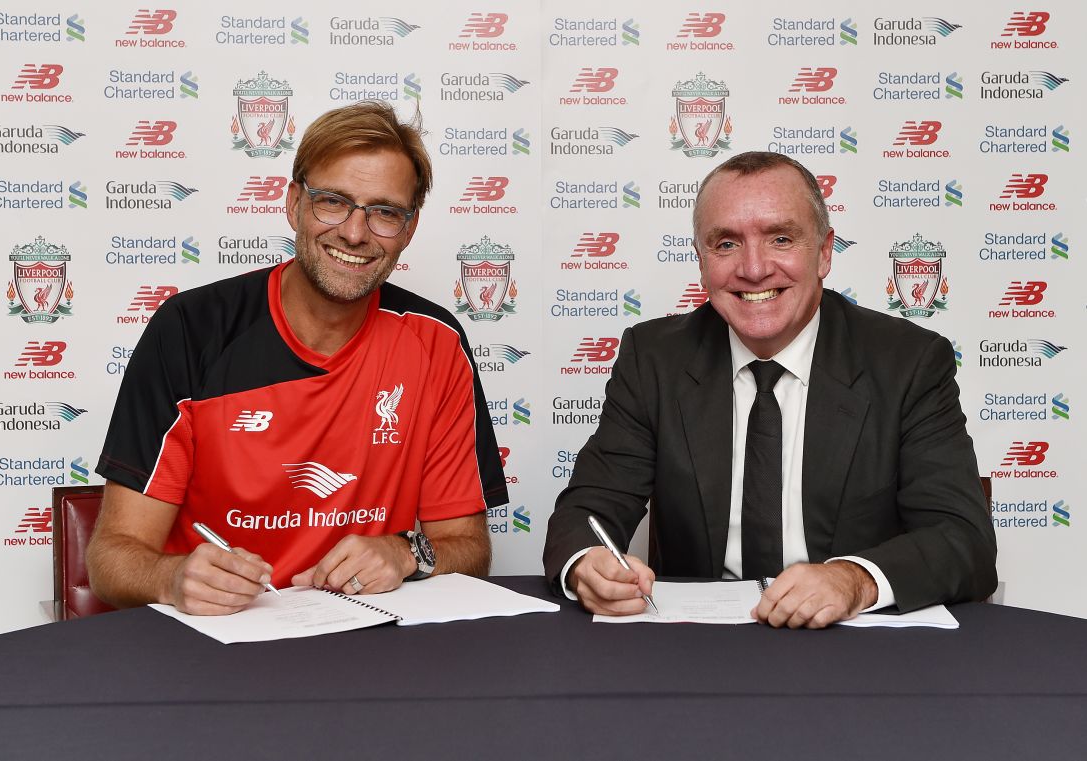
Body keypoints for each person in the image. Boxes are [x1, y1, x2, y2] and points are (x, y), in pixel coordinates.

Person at [543, 151, 996, 628]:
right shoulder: (654, 359)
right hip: (698, 651)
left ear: (824, 252)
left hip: (857, 651)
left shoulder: (908, 362)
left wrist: (853, 580)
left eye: (781, 238)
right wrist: (587, 563)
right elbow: (587, 510)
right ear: (701, 262)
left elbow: (962, 538)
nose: (754, 269)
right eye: (726, 244)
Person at [88, 101, 508, 615]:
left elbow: (469, 546)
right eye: (333, 202)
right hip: (213, 647)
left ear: (409, 229)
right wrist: (171, 576)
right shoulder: (189, 328)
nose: (354, 232)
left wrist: (407, 552)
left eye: (384, 212)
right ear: (293, 204)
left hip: (367, 643)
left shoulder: (436, 341)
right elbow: (110, 559)